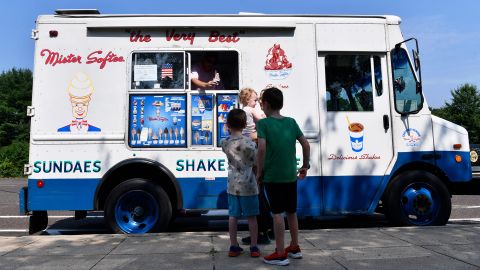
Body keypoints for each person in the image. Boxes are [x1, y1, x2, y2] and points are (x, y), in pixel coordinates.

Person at [256, 87, 310, 266]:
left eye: (261, 102)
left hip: (273, 176)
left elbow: (261, 149)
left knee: (277, 214)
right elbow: (306, 145)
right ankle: (294, 247)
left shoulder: (263, 124)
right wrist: (305, 166)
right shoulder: (291, 122)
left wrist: (259, 172)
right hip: (290, 175)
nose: (260, 105)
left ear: (267, 105)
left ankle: (280, 253)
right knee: (292, 212)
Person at [220, 109, 261, 258]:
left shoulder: (224, 143)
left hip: (232, 185)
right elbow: (256, 163)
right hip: (249, 185)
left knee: (233, 216)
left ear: (228, 125)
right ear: (245, 125)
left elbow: (226, 144)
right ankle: (254, 247)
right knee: (252, 217)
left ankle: (233, 246)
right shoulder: (250, 144)